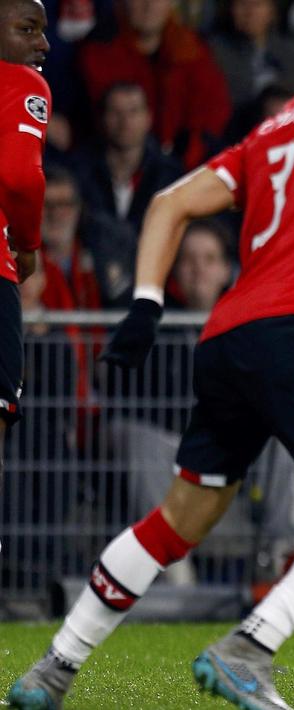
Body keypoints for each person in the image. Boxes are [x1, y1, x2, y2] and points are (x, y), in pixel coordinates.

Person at [6, 2, 294, 709]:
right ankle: (248, 648)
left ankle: (54, 668)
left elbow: (167, 203)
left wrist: (147, 304)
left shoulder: (279, 123)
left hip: (226, 338)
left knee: (176, 521)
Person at [77, 0, 232, 167]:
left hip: (185, 168)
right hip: (114, 165)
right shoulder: (98, 53)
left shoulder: (192, 50)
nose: (149, 5)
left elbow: (212, 115)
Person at [0, 0, 51, 501]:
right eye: (27, 28)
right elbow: (19, 175)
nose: (44, 44)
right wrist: (29, 245)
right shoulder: (23, 83)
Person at [75, 81, 184, 237]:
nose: (125, 122)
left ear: (148, 118)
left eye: (133, 112)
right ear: (102, 118)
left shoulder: (171, 175)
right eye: (116, 112)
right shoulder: (79, 171)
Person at [40, 165, 137, 309]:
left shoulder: (101, 257)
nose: (55, 214)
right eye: (47, 205)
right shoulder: (19, 263)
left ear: (79, 209)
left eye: (64, 204)